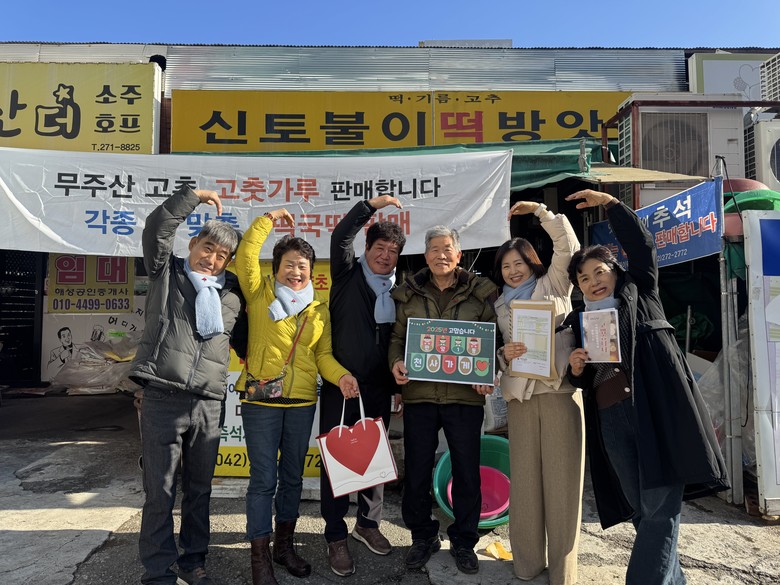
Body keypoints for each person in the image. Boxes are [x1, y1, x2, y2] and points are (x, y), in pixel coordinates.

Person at [563, 189, 730, 585]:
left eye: (599, 272)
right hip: (611, 419)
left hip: (654, 409)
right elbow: (582, 378)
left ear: (615, 270)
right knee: (641, 507)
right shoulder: (580, 320)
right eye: (584, 278)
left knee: (660, 505)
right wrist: (576, 367)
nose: (593, 282)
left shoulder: (640, 290)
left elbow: (642, 246)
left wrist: (612, 205)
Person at [235, 209, 359, 585]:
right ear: (276, 268)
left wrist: (342, 376)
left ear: (310, 270)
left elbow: (323, 356)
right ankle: (259, 559)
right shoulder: (259, 293)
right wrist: (268, 219)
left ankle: (284, 547)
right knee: (263, 480)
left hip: (302, 402)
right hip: (261, 400)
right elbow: (245, 254)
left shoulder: (318, 308)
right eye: (289, 264)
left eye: (302, 266)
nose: (296, 272)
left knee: (292, 477)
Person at [129, 186, 244, 585]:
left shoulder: (232, 295)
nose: (212, 259)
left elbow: (246, 341)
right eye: (207, 248)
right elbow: (156, 227)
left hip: (209, 402)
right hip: (162, 396)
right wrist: (192, 196)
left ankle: (193, 561)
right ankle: (158, 572)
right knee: (159, 491)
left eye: (222, 255)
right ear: (193, 244)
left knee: (200, 490)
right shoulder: (167, 272)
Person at [388, 225, 497, 576]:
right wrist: (396, 362)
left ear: (459, 254)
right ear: (425, 256)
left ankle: (464, 541)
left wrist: (488, 372)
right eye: (434, 249)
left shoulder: (481, 292)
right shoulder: (408, 293)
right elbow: (397, 338)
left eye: (447, 248)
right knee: (417, 471)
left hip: (465, 398)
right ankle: (422, 536)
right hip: (420, 396)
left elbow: (493, 339)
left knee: (466, 471)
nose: (441, 255)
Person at [492, 200, 584, 585]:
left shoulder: (554, 283)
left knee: (563, 483)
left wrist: (543, 213)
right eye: (506, 266)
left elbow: (568, 248)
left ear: (532, 263)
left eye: (519, 263)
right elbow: (497, 351)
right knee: (526, 483)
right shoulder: (499, 303)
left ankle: (563, 571)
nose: (513, 271)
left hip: (559, 391)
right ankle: (527, 563)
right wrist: (504, 354)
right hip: (520, 398)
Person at [320, 196, 407, 576]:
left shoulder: (397, 290)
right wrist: (370, 206)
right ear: (367, 249)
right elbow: (340, 237)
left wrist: (397, 388)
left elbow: (396, 342)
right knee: (337, 461)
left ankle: (368, 525)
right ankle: (335, 534)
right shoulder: (346, 275)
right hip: (341, 385)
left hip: (378, 387)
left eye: (392, 251)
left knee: (375, 459)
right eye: (379, 248)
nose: (385, 256)